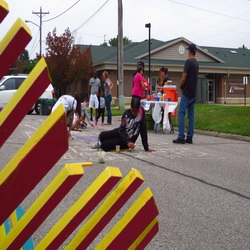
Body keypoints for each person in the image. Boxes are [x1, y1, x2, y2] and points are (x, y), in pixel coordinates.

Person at [173, 44, 199, 144]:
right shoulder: (196, 64)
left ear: (189, 52)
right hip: (193, 92)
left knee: (181, 113)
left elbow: (184, 77)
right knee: (191, 115)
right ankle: (190, 137)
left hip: (186, 92)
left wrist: (180, 85)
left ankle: (181, 136)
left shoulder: (188, 62)